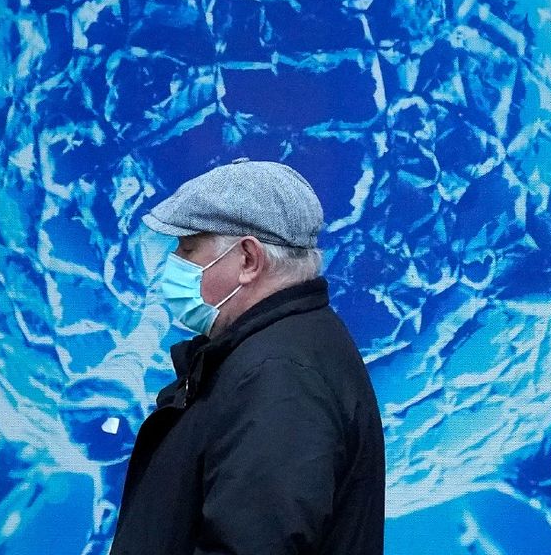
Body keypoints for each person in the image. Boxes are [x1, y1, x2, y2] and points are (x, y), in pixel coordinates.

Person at [109, 158, 385, 555]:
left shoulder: (281, 378)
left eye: (188, 249)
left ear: (248, 261)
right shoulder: (275, 353)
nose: (172, 266)